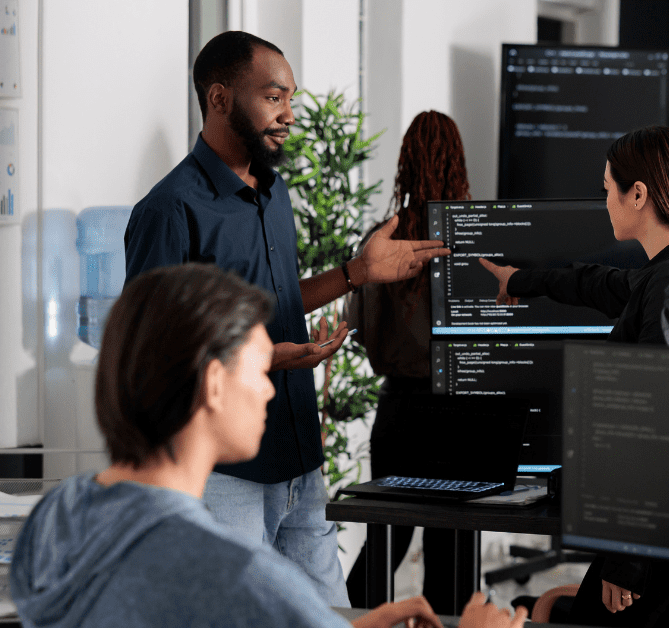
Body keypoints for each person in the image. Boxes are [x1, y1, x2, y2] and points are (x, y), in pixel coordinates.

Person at [9, 263, 527, 628]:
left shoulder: (56, 516)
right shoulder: (240, 575)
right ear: (213, 384)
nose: (268, 388)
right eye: (259, 370)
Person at [123, 31, 448, 607]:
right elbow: (153, 353)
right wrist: (268, 358)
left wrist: (356, 272)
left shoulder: (275, 195)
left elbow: (270, 306)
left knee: (331, 615)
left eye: (291, 99)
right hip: (228, 476)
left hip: (298, 459)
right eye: (274, 97)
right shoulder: (170, 209)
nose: (290, 115)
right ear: (220, 98)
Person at [479, 126, 669, 628]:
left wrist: (626, 560)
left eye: (607, 189)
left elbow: (657, 431)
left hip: (660, 528)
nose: (606, 202)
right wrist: (523, 281)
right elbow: (600, 282)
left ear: (637, 194)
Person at [341, 110, 470, 609]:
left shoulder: (380, 239)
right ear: (457, 160)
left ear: (404, 163)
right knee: (454, 545)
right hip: (462, 411)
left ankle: (343, 623)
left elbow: (359, 331)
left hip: (397, 409)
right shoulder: (475, 236)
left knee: (386, 543)